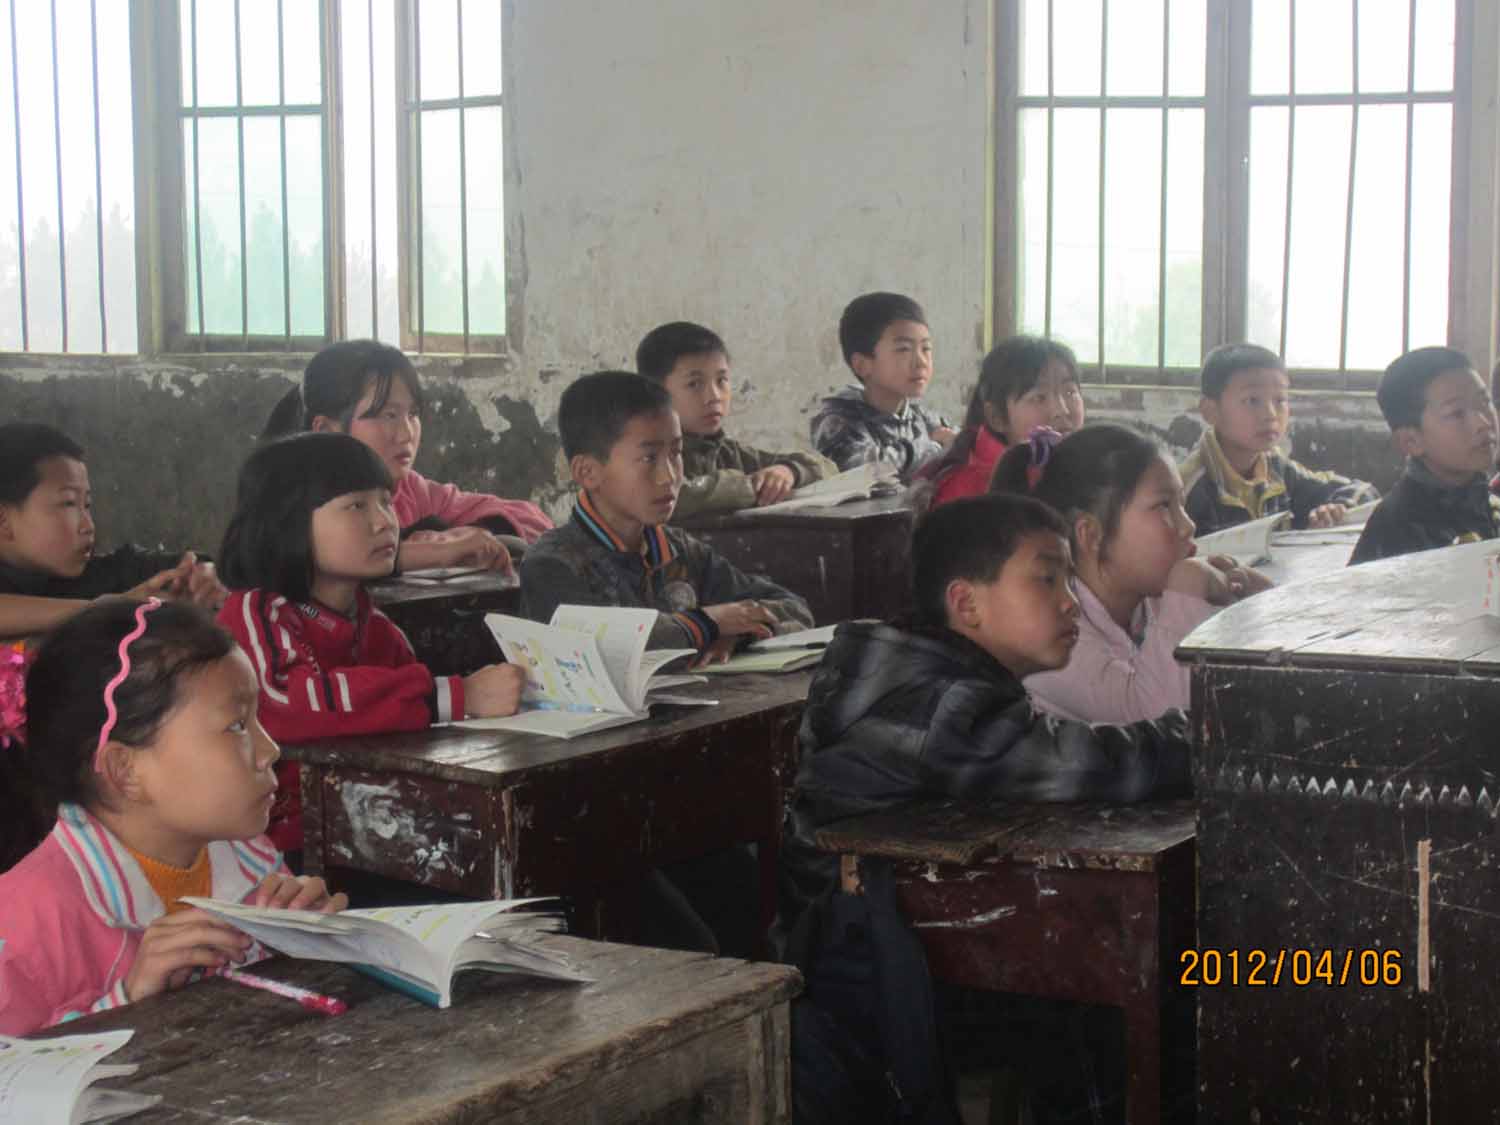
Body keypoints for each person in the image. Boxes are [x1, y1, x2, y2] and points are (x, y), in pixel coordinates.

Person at [0, 599, 346, 1034]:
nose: (269, 751)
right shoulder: (22, 922)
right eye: (237, 726)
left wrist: (307, 940)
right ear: (125, 770)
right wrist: (126, 1002)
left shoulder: (247, 858)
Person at [216, 432, 524, 853]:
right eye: (357, 506)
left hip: (363, 832)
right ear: (287, 522)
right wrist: (458, 696)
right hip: (275, 849)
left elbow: (411, 722)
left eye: (385, 502)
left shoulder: (373, 625)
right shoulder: (258, 612)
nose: (384, 522)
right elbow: (290, 703)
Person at [520, 371, 812, 667]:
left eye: (676, 453)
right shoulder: (551, 564)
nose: (670, 476)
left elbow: (795, 608)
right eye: (649, 458)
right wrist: (706, 624)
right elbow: (604, 648)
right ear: (588, 472)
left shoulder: (680, 550)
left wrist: (740, 632)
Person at [995, 425, 1267, 723]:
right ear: (1091, 534)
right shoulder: (1047, 635)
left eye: (1182, 504)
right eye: (1164, 506)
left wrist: (1249, 599)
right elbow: (1158, 721)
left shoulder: (1150, 602)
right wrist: (1187, 589)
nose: (1188, 525)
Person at [263, 339, 551, 572]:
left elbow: (534, 521)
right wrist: (415, 553)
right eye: (388, 415)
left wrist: (468, 534)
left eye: (412, 414)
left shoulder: (407, 490)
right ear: (326, 429)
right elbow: (298, 559)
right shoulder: (287, 502)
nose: (406, 434)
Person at [0, 422, 224, 640]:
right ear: (4, 520)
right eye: (68, 503)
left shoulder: (106, 575)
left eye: (87, 505)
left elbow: (186, 567)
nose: (88, 526)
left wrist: (204, 575)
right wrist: (104, 609)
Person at [635, 320, 835, 518]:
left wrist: (789, 471)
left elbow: (828, 468)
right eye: (694, 384)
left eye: (721, 380)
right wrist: (753, 486)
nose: (714, 396)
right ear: (656, 394)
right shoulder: (643, 456)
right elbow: (679, 495)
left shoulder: (726, 452)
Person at [1180, 344, 1376, 534]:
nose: (1271, 414)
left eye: (1280, 400)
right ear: (1211, 411)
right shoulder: (1187, 489)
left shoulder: (1276, 468)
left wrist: (1337, 508)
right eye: (1252, 400)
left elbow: (1364, 490)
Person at [1351, 346, 1500, 564]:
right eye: (1457, 413)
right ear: (1411, 441)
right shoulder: (1400, 526)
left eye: (1485, 402)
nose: (1483, 423)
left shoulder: (1485, 502)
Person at [918, 334, 1084, 510]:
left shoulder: (1080, 466)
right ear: (997, 417)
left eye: (1070, 392)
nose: (1062, 411)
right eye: (1039, 397)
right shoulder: (969, 492)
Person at [810, 292, 955, 480]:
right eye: (904, 349)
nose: (921, 362)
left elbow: (964, 444)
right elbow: (867, 469)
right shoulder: (837, 422)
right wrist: (935, 448)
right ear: (862, 365)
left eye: (926, 348)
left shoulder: (924, 419)